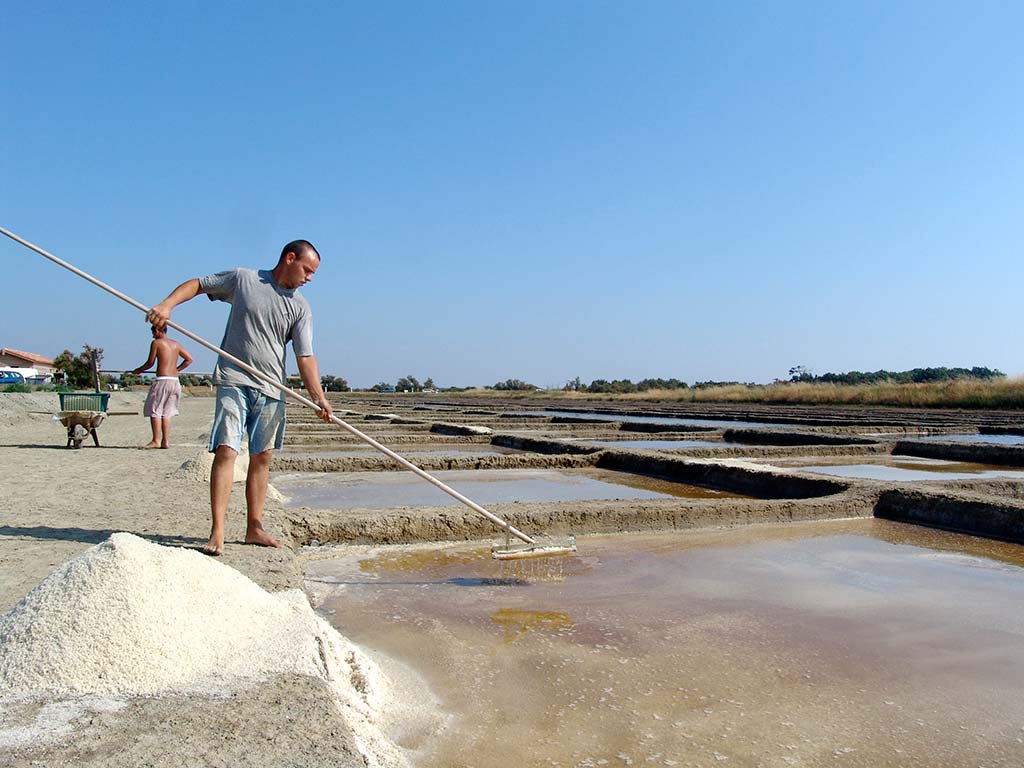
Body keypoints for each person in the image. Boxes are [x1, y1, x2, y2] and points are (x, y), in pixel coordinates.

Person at [146, 239, 333, 556]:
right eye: (307, 270)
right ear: (290, 258)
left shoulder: (301, 307)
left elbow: (305, 357)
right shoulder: (244, 280)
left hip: (273, 388)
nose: (309, 278)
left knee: (262, 458)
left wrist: (318, 396)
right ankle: (217, 531)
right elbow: (198, 285)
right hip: (235, 379)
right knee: (227, 451)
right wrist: (167, 305)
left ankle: (254, 527)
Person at [130, 325, 193, 448]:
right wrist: (176, 369)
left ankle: (156, 440)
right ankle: (165, 441)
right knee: (167, 412)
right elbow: (189, 359)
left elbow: (150, 363)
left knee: (155, 410)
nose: (152, 335)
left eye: (153, 332)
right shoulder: (176, 344)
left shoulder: (157, 343)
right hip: (174, 381)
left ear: (159, 330)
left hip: (162, 380)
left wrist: (139, 370)